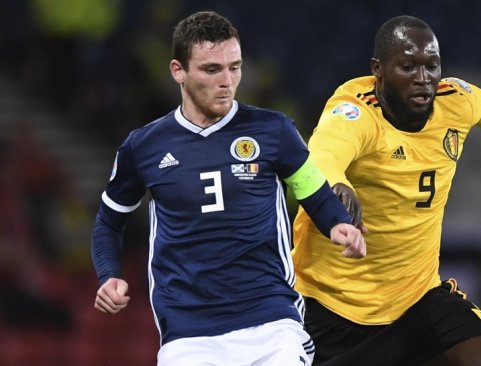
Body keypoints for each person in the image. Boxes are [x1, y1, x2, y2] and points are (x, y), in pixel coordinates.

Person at [91, 11, 366, 366]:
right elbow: (109, 221)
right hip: (189, 333)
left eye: (235, 67)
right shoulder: (144, 147)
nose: (227, 81)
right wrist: (109, 275)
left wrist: (337, 224)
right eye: (211, 69)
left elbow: (313, 191)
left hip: (271, 321)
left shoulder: (273, 130)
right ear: (178, 71)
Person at [292, 15, 481, 366]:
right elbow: (323, 154)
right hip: (330, 308)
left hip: (417, 300)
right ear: (378, 69)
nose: (423, 79)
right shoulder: (355, 112)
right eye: (408, 66)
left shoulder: (453, 101)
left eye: (431, 66)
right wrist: (337, 186)